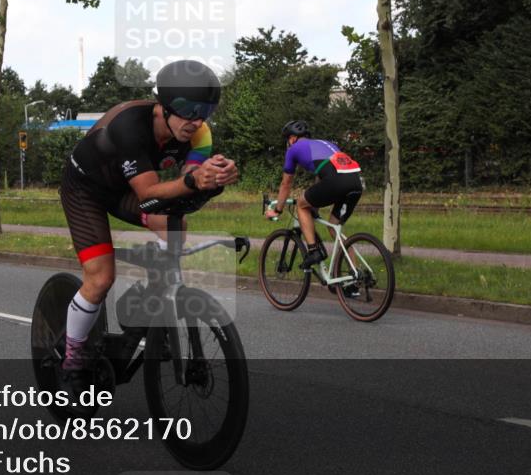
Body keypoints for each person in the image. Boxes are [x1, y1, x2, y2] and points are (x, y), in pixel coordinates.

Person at [58, 59, 238, 389]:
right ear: (163, 106)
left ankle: (150, 306)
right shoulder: (129, 126)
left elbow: (184, 189)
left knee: (174, 227)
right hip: (85, 189)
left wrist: (214, 179)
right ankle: (73, 357)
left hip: (124, 189)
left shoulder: (199, 132)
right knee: (100, 278)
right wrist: (195, 181)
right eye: (188, 111)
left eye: (205, 112)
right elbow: (149, 193)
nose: (196, 121)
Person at [265, 121, 363, 270]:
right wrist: (314, 204)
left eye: (287, 141)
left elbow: (286, 183)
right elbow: (323, 176)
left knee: (301, 205)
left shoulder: (293, 149)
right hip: (355, 182)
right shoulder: (325, 144)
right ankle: (355, 275)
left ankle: (313, 251)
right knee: (334, 227)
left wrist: (278, 209)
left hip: (336, 181)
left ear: (292, 139)